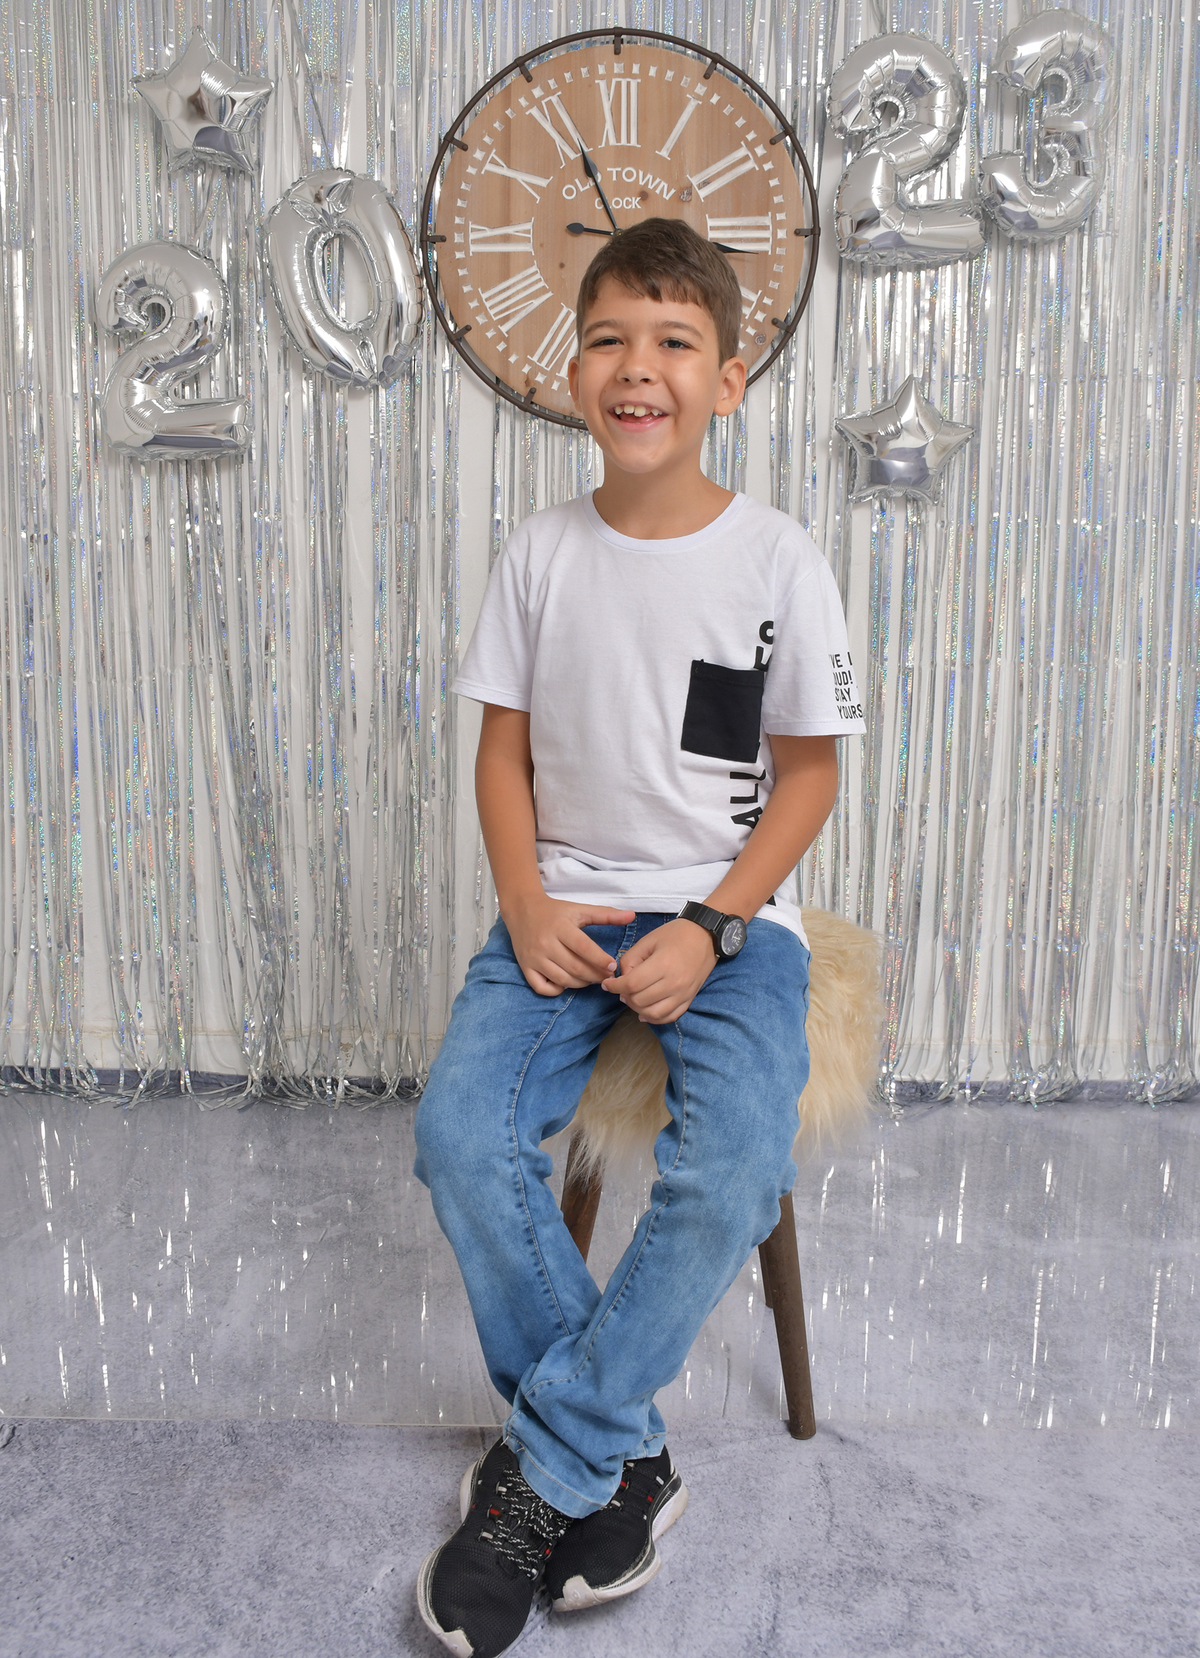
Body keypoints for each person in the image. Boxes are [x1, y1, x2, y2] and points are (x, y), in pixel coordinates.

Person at [413, 217, 865, 1658]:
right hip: (566, 902)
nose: (637, 366)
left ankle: (547, 1464)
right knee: (458, 1135)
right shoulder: (541, 552)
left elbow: (809, 776)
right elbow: (500, 754)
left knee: (731, 1167)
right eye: (608, 338)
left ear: (725, 379)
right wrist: (527, 902)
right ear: (574, 373)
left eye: (674, 341)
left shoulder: (777, 558)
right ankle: (624, 1450)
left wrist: (717, 924)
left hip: (727, 919)